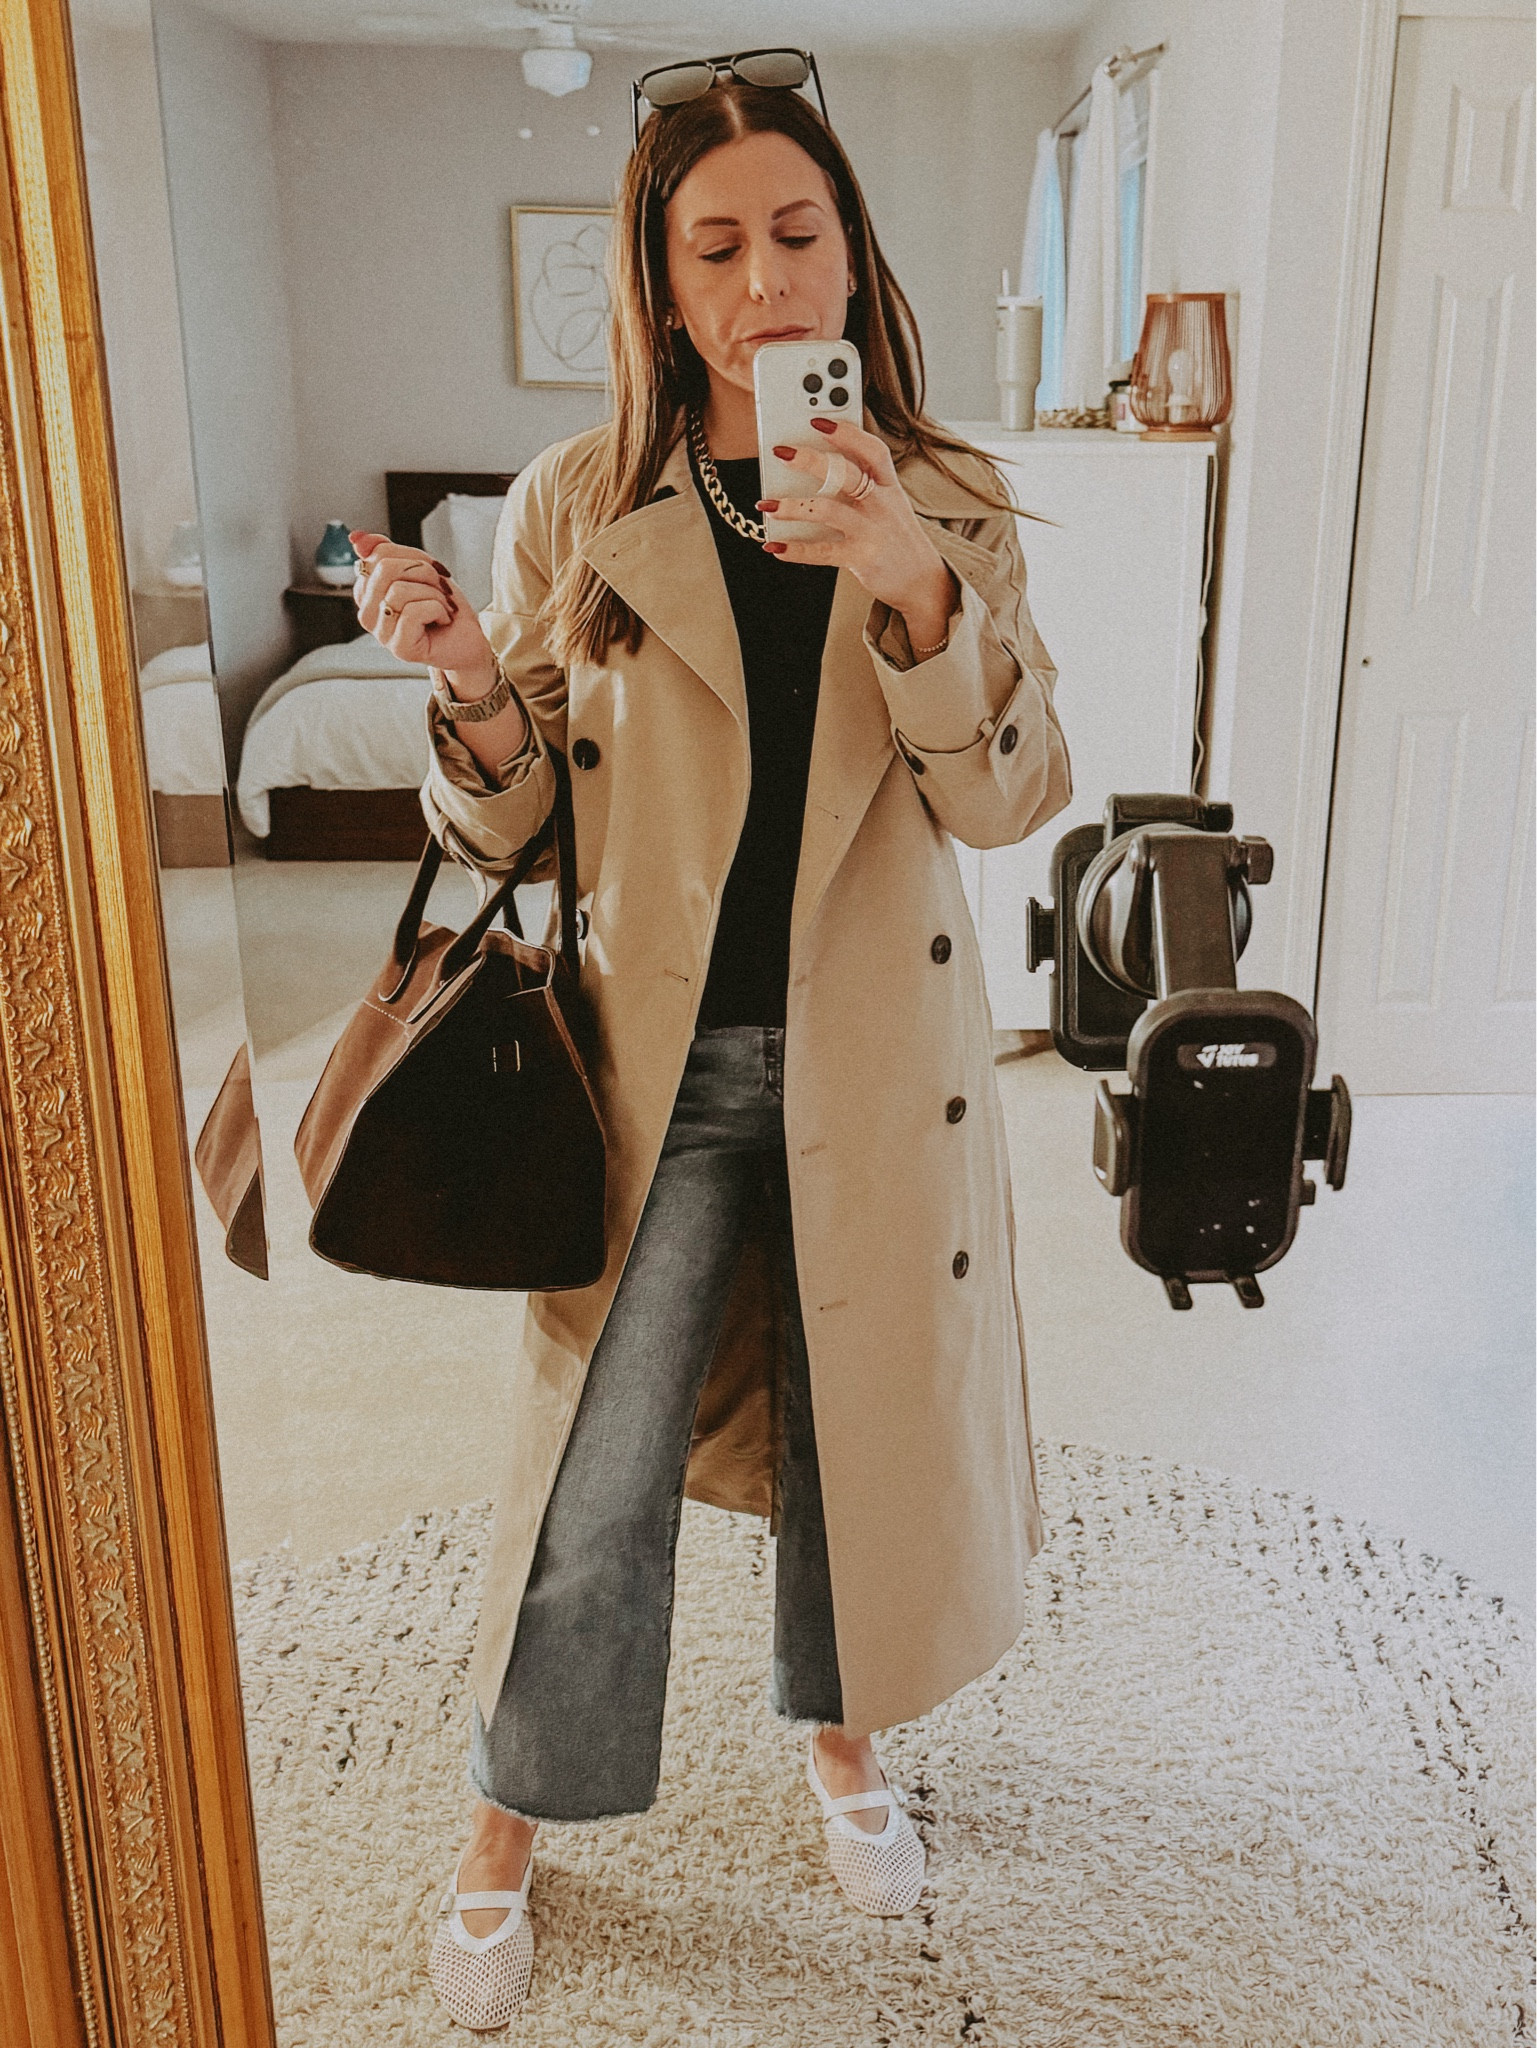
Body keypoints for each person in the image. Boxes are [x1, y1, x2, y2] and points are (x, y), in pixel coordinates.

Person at [352, 52, 1070, 2032]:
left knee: (860, 1452)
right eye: (717, 249)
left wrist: (910, 584)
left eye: (797, 235)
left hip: (872, 1065)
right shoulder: (580, 505)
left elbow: (1011, 798)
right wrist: (471, 688)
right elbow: (515, 830)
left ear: (850, 256)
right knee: (587, 1474)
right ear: (662, 294)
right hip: (643, 1069)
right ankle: (508, 1815)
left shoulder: (947, 499)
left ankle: (842, 1739)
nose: (765, 284)